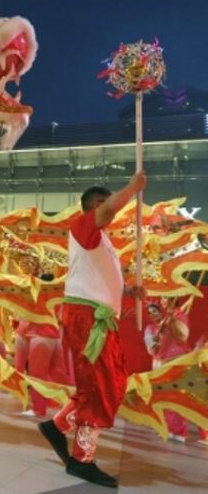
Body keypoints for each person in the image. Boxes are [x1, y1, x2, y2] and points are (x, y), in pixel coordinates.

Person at [38, 172, 147, 488]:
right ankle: (81, 459)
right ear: (94, 206)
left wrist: (129, 292)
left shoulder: (102, 241)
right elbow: (110, 210)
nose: (109, 211)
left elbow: (99, 279)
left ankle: (58, 426)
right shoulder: (83, 225)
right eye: (104, 204)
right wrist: (133, 187)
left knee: (108, 383)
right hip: (86, 317)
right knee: (99, 386)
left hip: (97, 317)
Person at [144, 300, 207, 444]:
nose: (154, 314)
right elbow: (152, 349)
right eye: (151, 312)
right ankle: (172, 429)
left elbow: (183, 336)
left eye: (156, 311)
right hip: (161, 364)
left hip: (180, 361)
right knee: (166, 397)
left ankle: (190, 431)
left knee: (185, 397)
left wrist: (173, 321)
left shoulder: (179, 316)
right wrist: (157, 339)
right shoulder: (150, 328)